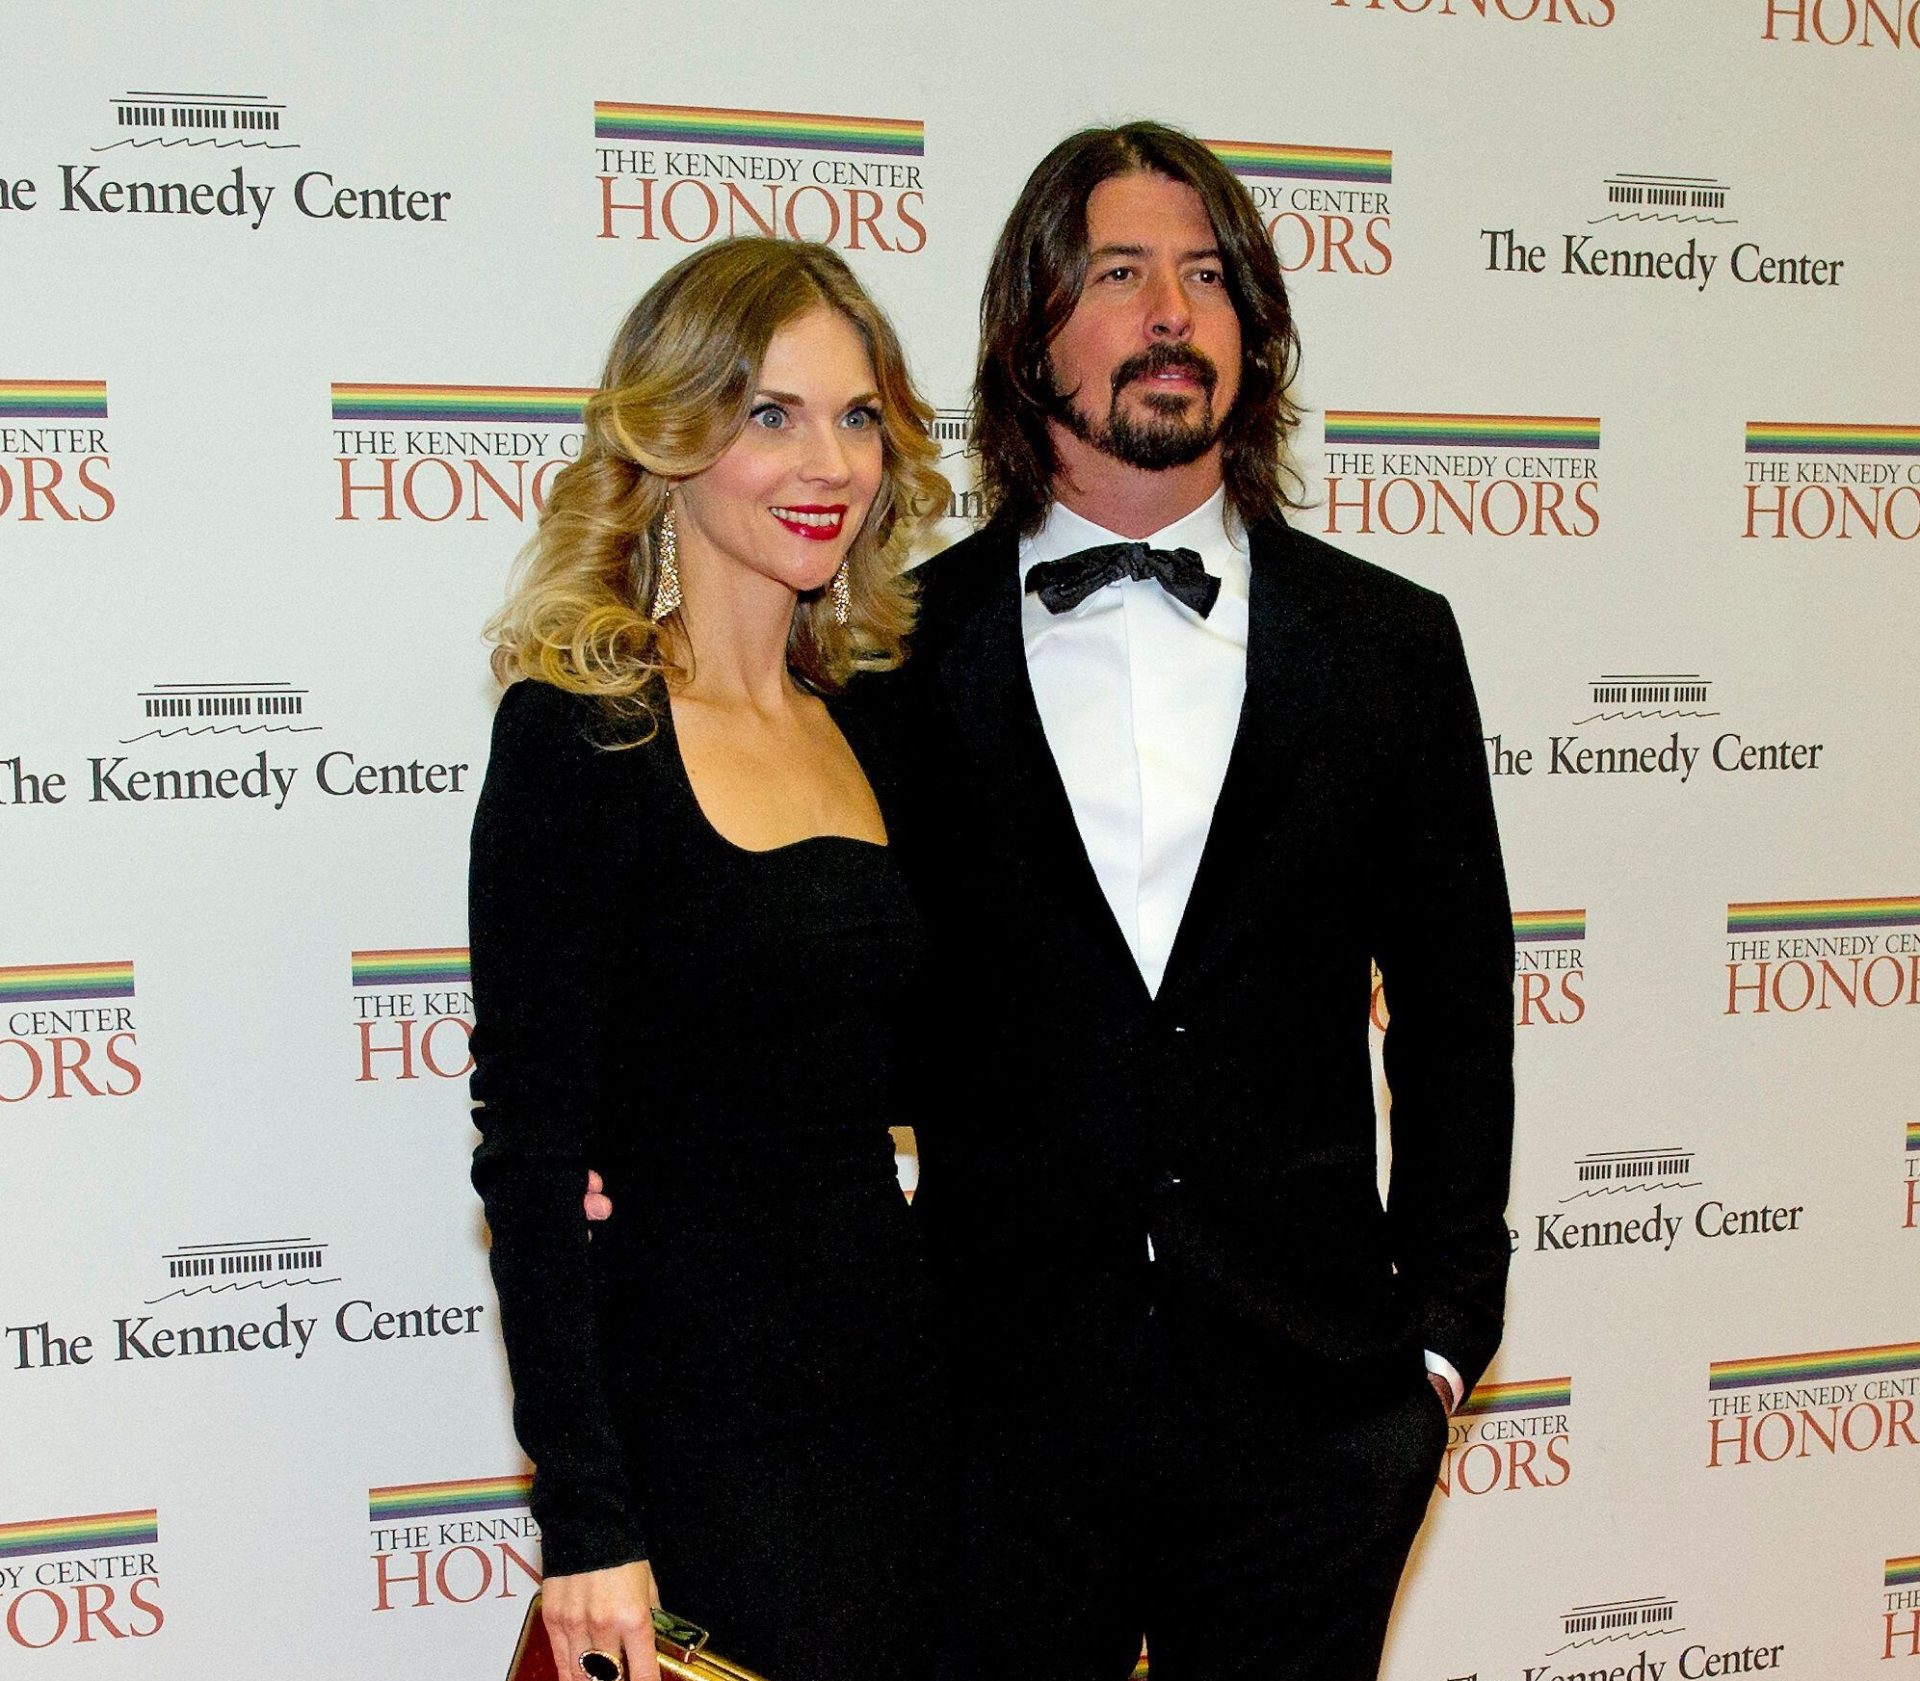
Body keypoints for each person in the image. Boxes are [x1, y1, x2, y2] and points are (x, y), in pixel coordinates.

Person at [888, 122, 1515, 1680]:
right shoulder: (895, 652)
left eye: (1209, 277)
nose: (1174, 311)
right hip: (993, 1432)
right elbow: (805, 985)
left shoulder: (1388, 646)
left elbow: (1456, 1015)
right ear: (1031, 332)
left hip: (1311, 1424)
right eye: (1119, 273)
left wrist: (1438, 1346)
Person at [468, 236, 951, 1681]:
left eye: (857, 415)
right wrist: (589, 1524)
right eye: (771, 415)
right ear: (671, 439)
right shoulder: (581, 732)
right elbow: (532, 1155)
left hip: (901, 1414)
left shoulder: (875, 725)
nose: (830, 463)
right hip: (695, 1437)